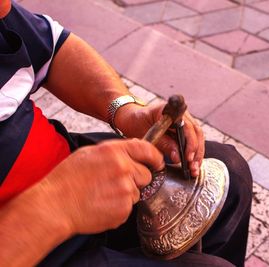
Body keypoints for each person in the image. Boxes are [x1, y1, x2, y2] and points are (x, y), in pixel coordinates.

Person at [0, 1, 252, 266]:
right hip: (28, 246)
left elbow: (50, 49)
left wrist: (127, 112)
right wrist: (60, 203)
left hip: (60, 168)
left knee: (229, 176)